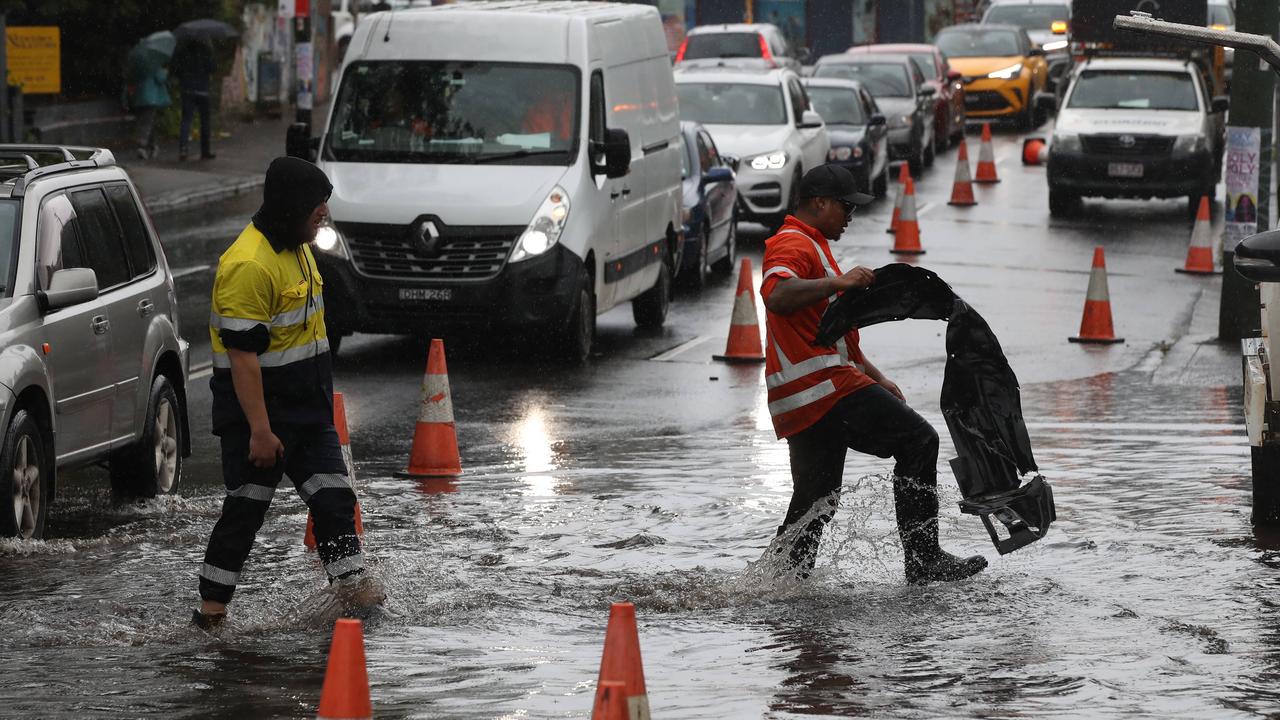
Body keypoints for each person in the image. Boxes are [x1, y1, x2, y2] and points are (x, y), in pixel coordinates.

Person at [760, 164, 987, 585]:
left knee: (815, 501)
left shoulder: (814, 246)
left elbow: (832, 337)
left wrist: (876, 377)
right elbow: (776, 294)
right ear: (819, 203)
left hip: (804, 400)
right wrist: (839, 283)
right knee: (920, 440)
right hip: (823, 390)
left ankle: (777, 584)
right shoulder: (793, 242)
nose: (851, 216)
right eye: (845, 206)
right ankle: (924, 560)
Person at [192, 157, 383, 629]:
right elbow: (242, 358)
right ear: (290, 207)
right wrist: (259, 430)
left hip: (306, 415)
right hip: (259, 421)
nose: (323, 214)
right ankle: (211, 614)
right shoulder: (247, 264)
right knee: (244, 513)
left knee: (335, 502)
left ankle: (356, 601)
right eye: (316, 207)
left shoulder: (297, 246)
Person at [172, 37, 216, 161]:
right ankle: (205, 150)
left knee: (186, 120)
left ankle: (183, 149)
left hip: (187, 90)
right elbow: (213, 68)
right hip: (203, 90)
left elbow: (175, 69)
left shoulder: (183, 51)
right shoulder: (206, 50)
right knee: (205, 122)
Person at [124, 47, 170, 160]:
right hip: (151, 98)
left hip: (139, 98)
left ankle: (153, 146)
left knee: (148, 122)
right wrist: (165, 70)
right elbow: (161, 78)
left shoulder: (137, 66)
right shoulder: (153, 65)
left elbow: (130, 80)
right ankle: (142, 147)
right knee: (147, 123)